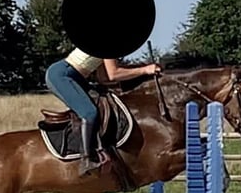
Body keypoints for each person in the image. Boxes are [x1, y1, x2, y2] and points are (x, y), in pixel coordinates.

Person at [45, 47, 161, 175]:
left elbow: (103, 77)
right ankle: (86, 159)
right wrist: (145, 70)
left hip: (74, 76)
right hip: (63, 75)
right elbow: (113, 74)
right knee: (89, 112)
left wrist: (138, 71)